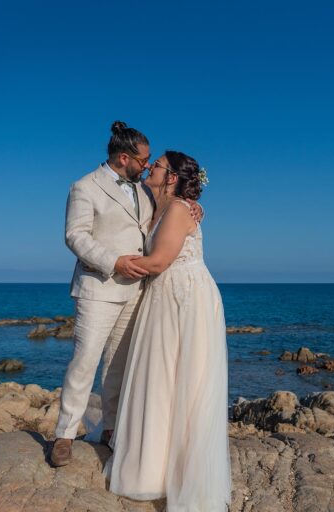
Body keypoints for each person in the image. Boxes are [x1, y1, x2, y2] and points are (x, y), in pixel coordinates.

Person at [50, 122, 201, 466]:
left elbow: (167, 215)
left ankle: (111, 429)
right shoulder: (84, 187)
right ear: (123, 157)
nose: (149, 166)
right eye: (144, 160)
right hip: (99, 287)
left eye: (152, 161)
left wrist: (194, 207)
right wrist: (113, 261)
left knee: (119, 364)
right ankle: (64, 435)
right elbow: (75, 236)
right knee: (85, 360)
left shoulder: (146, 191)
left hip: (139, 291)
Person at [105, 151, 231, 511]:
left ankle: (179, 473)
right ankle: (151, 470)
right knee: (159, 381)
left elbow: (159, 261)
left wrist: (109, 264)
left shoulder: (178, 209)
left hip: (184, 297)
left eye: (156, 165)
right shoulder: (157, 204)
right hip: (165, 296)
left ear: (172, 177)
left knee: (182, 381)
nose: (149, 167)